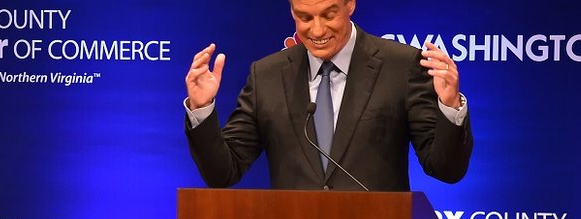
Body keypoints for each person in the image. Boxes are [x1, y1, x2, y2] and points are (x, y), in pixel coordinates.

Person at [184, 0, 473, 191]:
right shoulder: (267, 75)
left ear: (350, 4)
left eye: (329, 14)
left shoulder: (400, 66)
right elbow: (223, 173)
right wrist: (202, 108)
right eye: (304, 17)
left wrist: (449, 107)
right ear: (291, 11)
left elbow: (446, 170)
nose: (317, 29)